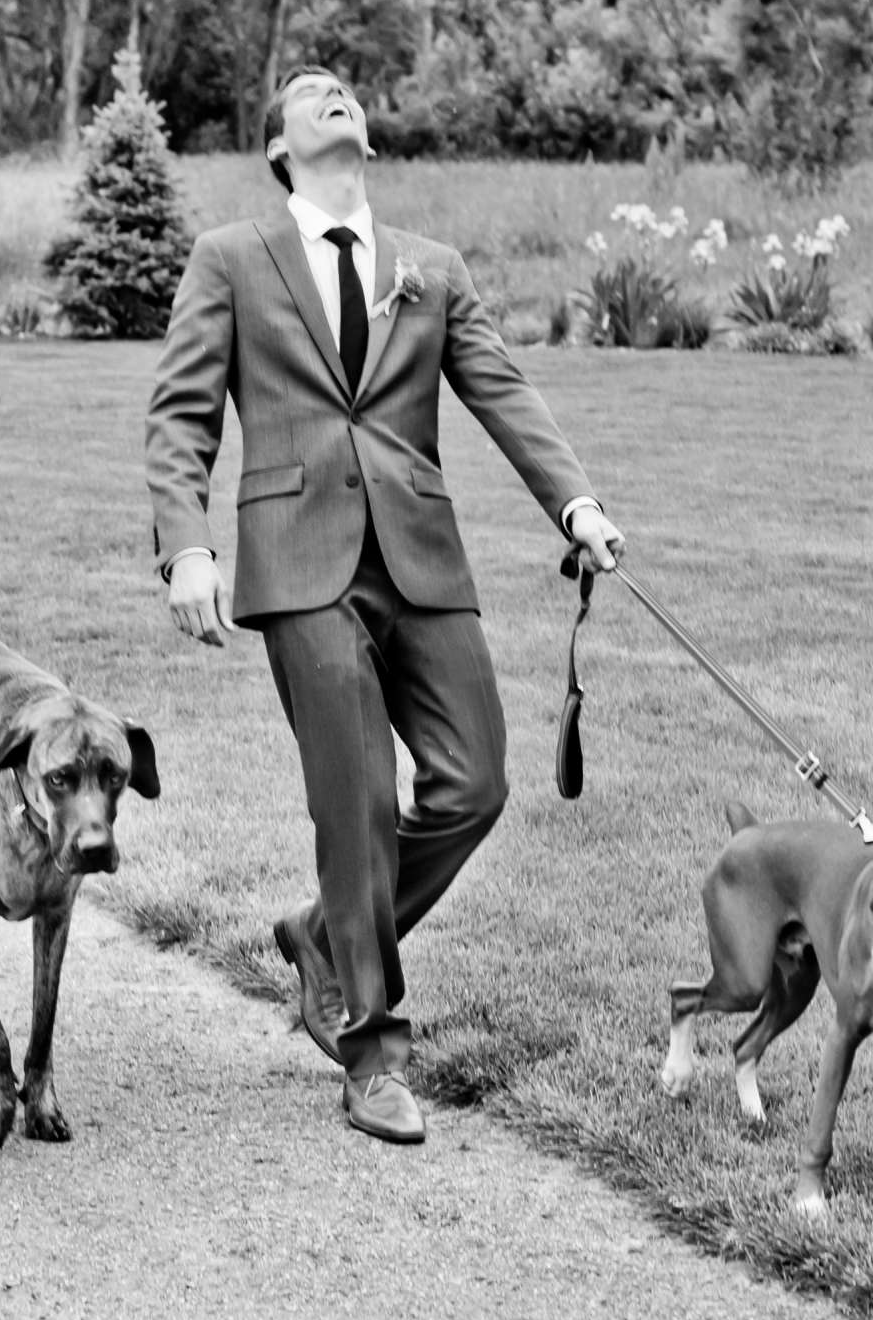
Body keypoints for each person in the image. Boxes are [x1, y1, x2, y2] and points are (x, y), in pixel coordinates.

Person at [143, 67, 624, 1146]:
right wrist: (187, 546)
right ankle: (372, 1048)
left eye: (346, 89)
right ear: (280, 147)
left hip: (419, 556)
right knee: (356, 802)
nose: (333, 94)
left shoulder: (431, 268)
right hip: (298, 564)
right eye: (309, 91)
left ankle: (326, 936)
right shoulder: (232, 258)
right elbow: (179, 415)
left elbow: (502, 390)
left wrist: (577, 504)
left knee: (476, 780)